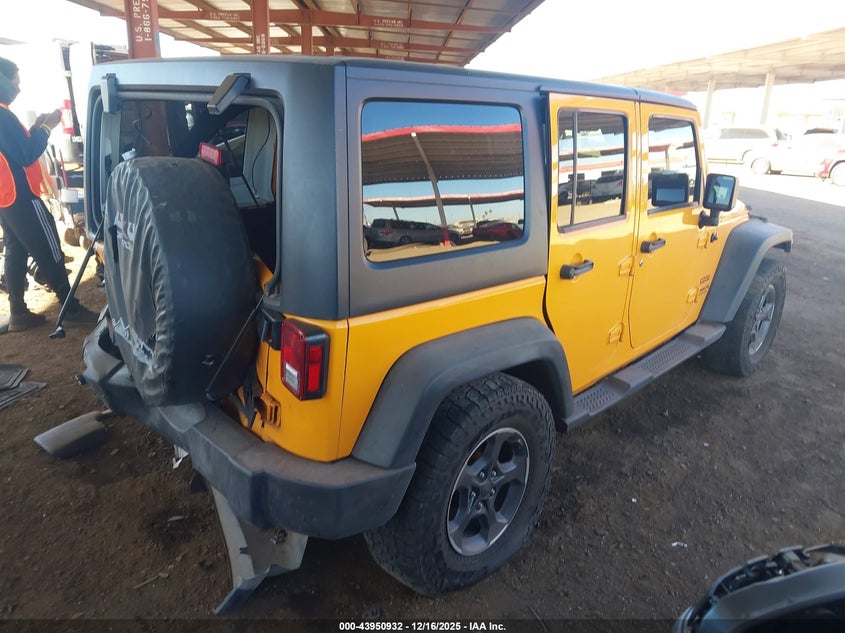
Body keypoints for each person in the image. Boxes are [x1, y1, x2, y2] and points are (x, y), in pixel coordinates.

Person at [0, 57, 98, 331]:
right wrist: (46, 128)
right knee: (49, 245)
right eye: (15, 82)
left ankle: (18, 312)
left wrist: (34, 128)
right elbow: (26, 153)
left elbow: (15, 148)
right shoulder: (3, 116)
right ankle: (70, 309)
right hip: (22, 194)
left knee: (15, 249)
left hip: (6, 196)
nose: (18, 87)